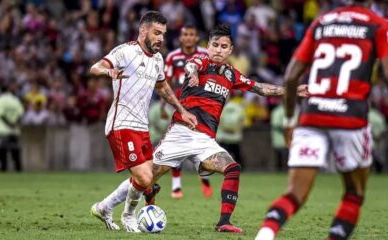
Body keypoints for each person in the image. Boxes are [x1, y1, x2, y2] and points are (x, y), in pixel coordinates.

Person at [148, 24, 308, 233]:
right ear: (208, 46)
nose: (219, 50)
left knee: (232, 169)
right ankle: (113, 204)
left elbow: (259, 88)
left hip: (205, 140)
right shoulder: (201, 61)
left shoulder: (231, 75)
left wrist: (292, 90)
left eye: (224, 46)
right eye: (215, 45)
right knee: (144, 179)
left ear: (230, 50)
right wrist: (193, 73)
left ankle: (224, 222)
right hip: (181, 133)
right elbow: (190, 66)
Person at [255, 1, 388, 239]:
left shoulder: (321, 22)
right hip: (351, 118)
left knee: (294, 194)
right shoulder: (378, 25)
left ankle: (265, 234)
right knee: (354, 194)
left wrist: (288, 121)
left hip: (312, 115)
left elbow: (292, 74)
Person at [89, 11, 197, 232]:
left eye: (163, 34)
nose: (161, 39)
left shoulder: (157, 59)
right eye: (157, 33)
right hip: (121, 124)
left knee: (144, 180)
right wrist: (108, 71)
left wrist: (181, 110)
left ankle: (103, 207)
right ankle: (129, 216)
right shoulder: (126, 51)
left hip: (141, 126)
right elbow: (95, 67)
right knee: (145, 177)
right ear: (143, 31)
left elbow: (163, 88)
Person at [162, 24, 213, 199]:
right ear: (181, 38)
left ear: (197, 38)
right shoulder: (172, 57)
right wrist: (164, 106)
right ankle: (176, 186)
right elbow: (165, 81)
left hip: (201, 106)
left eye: (192, 34)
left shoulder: (204, 55)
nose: (189, 37)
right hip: (181, 106)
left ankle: (204, 178)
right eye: (186, 34)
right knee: (178, 143)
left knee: (201, 143)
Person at [0, 82, 25, 172]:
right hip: (15, 130)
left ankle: (3, 169)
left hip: (2, 129)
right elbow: (21, 114)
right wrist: (14, 123)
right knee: (15, 152)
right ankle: (18, 171)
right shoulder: (16, 100)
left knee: (2, 151)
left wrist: (8, 124)